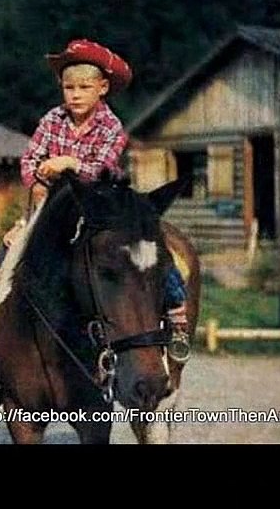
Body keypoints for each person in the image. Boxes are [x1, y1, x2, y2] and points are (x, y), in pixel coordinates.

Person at [20, 38, 189, 344]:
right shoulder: (52, 120)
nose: (75, 95)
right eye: (69, 88)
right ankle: (9, 314)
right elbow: (29, 159)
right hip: (54, 205)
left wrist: (67, 162)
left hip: (102, 205)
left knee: (146, 241)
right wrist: (35, 181)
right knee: (17, 248)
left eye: (84, 88)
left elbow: (99, 170)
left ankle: (174, 301)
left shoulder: (111, 127)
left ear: (102, 89)